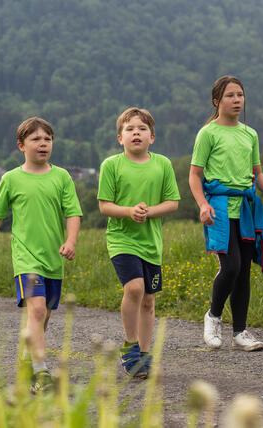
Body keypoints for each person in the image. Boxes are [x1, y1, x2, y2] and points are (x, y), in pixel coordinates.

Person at [0, 117, 82, 393]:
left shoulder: (62, 177)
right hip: (25, 258)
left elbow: (73, 213)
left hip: (54, 260)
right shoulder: (11, 179)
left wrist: (71, 241)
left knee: (45, 316)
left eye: (48, 139)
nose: (43, 144)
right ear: (21, 145)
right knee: (37, 309)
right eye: (36, 139)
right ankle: (41, 374)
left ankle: (27, 358)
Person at [189, 76, 263, 352]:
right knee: (230, 267)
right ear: (217, 101)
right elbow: (195, 175)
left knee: (243, 272)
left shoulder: (249, 134)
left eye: (240, 95)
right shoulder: (208, 134)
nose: (237, 100)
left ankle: (240, 332)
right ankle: (213, 316)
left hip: (246, 208)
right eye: (230, 96)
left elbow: (257, 172)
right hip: (218, 208)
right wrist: (202, 205)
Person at [98, 107, 180, 378]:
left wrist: (149, 212)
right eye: (130, 129)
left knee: (148, 300)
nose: (136, 133)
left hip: (151, 243)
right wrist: (129, 212)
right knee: (134, 288)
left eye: (142, 129)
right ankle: (130, 345)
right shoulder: (111, 165)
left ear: (152, 137)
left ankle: (145, 355)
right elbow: (105, 206)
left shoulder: (163, 164)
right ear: (119, 138)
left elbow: (173, 202)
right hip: (121, 240)